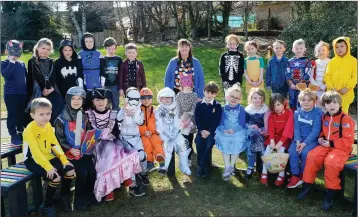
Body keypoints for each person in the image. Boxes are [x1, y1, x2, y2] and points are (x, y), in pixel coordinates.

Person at [298, 91, 355, 210]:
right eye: (328, 103)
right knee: (312, 156)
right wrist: (321, 138)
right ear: (324, 105)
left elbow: (348, 140)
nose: (332, 105)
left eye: (335, 103)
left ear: (340, 104)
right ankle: (307, 185)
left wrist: (331, 143)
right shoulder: (325, 116)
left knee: (331, 162)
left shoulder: (345, 119)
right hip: (326, 146)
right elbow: (323, 132)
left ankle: (331, 193)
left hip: (341, 149)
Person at [86, 88, 144, 202]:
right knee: (109, 152)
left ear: (107, 101)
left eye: (103, 100)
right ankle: (123, 183)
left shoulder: (112, 114)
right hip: (95, 145)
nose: (100, 102)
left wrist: (111, 133)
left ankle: (112, 189)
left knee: (113, 151)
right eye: (97, 100)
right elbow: (86, 132)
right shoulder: (88, 115)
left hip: (111, 141)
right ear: (93, 101)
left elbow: (117, 131)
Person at [23, 98, 75, 217]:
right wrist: (48, 167)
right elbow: (35, 153)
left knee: (70, 170)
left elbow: (54, 144)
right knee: (55, 177)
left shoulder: (48, 126)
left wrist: (64, 160)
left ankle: (64, 196)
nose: (45, 117)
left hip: (47, 157)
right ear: (32, 115)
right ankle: (47, 206)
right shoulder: (29, 131)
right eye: (41, 114)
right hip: (32, 160)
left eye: (48, 113)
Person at [54, 87, 96, 211]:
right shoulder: (61, 119)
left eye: (79, 99)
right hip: (68, 154)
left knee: (92, 171)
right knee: (82, 173)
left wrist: (90, 141)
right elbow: (59, 139)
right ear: (68, 99)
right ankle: (78, 198)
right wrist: (70, 149)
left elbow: (88, 132)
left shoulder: (84, 116)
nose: (76, 101)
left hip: (82, 152)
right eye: (73, 98)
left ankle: (88, 194)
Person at [287, 89, 323, 188]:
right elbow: (297, 128)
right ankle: (295, 175)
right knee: (292, 151)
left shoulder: (317, 113)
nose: (306, 102)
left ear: (314, 102)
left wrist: (304, 144)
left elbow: (316, 131)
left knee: (305, 153)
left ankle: (304, 174)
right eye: (303, 100)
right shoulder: (297, 113)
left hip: (311, 140)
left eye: (309, 100)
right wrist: (298, 141)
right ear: (299, 101)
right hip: (299, 138)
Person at [26, 38, 64, 125]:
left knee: (57, 109)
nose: (45, 51)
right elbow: (34, 77)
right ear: (37, 48)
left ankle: (57, 132)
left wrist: (52, 88)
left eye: (48, 49)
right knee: (39, 110)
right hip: (38, 89)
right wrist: (42, 89)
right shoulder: (32, 61)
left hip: (51, 89)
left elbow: (54, 77)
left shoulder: (52, 62)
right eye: (43, 48)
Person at [155, 87, 191, 176]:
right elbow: (158, 125)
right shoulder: (158, 111)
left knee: (183, 145)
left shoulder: (177, 108)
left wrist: (176, 132)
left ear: (173, 98)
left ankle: (184, 165)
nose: (167, 100)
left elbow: (178, 122)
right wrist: (164, 135)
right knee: (167, 147)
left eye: (169, 97)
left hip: (176, 133)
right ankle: (164, 167)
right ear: (160, 98)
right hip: (164, 135)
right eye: (164, 97)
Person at [117, 87, 149, 186]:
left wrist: (134, 114)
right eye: (131, 98)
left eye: (136, 99)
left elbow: (140, 122)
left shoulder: (140, 111)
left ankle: (143, 174)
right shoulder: (122, 109)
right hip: (125, 139)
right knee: (131, 159)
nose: (134, 101)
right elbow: (118, 119)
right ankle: (133, 184)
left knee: (142, 156)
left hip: (136, 137)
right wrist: (124, 110)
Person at [215, 84, 247, 181]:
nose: (234, 99)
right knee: (224, 139)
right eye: (232, 96)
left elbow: (242, 123)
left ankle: (232, 166)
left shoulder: (241, 109)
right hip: (225, 129)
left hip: (237, 130)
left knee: (237, 140)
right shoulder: (223, 108)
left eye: (237, 98)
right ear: (227, 96)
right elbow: (221, 121)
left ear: (240, 99)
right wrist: (223, 129)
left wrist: (234, 130)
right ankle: (227, 166)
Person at [260, 93, 294, 186]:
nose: (276, 107)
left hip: (284, 138)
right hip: (273, 138)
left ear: (284, 103)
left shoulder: (289, 113)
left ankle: (281, 173)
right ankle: (264, 172)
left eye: (278, 104)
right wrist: (271, 141)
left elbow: (288, 129)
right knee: (267, 152)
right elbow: (271, 129)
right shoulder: (272, 115)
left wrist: (280, 143)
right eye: (274, 105)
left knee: (281, 152)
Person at [1, 40, 27, 145]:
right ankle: (13, 136)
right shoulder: (4, 63)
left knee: (21, 114)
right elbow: (7, 75)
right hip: (11, 94)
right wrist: (12, 61)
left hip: (23, 93)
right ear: (8, 50)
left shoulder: (22, 63)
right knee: (12, 115)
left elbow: (26, 77)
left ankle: (21, 133)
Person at [195, 81, 222, 177]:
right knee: (198, 144)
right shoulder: (199, 105)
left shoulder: (217, 106)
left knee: (208, 145)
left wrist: (209, 131)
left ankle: (201, 167)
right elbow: (197, 119)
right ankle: (204, 166)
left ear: (216, 94)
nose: (210, 95)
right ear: (204, 91)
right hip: (201, 131)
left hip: (212, 132)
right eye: (208, 92)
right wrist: (202, 130)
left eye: (213, 93)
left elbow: (216, 121)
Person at [324, 37, 357, 114]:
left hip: (346, 93)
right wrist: (332, 88)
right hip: (332, 93)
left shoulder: (353, 61)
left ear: (347, 46)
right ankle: (330, 126)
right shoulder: (332, 62)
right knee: (332, 112)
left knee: (343, 113)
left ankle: (343, 126)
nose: (339, 49)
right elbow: (327, 76)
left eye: (342, 46)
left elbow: (355, 77)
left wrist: (347, 87)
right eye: (337, 47)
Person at [244, 88, 270, 180]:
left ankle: (263, 167)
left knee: (257, 136)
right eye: (255, 98)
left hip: (263, 132)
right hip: (251, 131)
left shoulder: (266, 110)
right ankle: (250, 166)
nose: (258, 100)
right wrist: (250, 126)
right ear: (251, 98)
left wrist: (260, 129)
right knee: (252, 138)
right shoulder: (248, 110)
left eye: (260, 97)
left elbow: (268, 124)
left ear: (263, 98)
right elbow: (245, 123)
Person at [139, 88, 165, 172]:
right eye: (143, 98)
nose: (146, 101)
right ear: (140, 99)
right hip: (143, 134)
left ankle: (162, 162)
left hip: (153, 132)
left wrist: (154, 131)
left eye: (149, 98)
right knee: (147, 145)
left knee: (157, 143)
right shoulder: (137, 110)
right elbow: (137, 123)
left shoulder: (154, 109)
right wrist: (144, 131)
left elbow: (157, 121)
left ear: (152, 99)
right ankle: (149, 162)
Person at [176, 74, 197, 166]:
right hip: (182, 121)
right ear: (182, 86)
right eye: (185, 87)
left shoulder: (194, 95)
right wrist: (181, 120)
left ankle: (188, 158)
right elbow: (178, 107)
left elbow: (194, 107)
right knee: (182, 140)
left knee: (189, 138)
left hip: (190, 120)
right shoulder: (179, 95)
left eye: (189, 87)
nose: (187, 88)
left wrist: (189, 120)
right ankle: (183, 157)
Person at [286, 39, 312, 111]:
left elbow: (308, 73)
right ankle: (293, 118)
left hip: (303, 87)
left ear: (304, 49)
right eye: (296, 48)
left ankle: (302, 117)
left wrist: (300, 84)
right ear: (293, 50)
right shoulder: (290, 61)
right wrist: (291, 84)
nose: (299, 50)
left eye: (301, 48)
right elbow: (287, 74)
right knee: (292, 102)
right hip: (292, 87)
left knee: (302, 101)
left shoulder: (307, 61)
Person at [102, 37, 122, 110]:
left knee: (115, 103)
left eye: (113, 49)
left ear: (116, 48)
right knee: (106, 103)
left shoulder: (119, 59)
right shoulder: (103, 59)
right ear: (105, 48)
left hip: (115, 85)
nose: (111, 51)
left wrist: (120, 87)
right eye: (109, 49)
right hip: (105, 85)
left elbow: (121, 74)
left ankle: (116, 118)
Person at [309, 41, 331, 108]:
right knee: (317, 105)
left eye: (323, 50)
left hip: (326, 88)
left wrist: (325, 86)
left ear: (328, 52)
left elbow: (332, 76)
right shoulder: (313, 62)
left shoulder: (331, 62)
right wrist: (316, 85)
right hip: (315, 87)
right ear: (315, 52)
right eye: (318, 50)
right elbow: (311, 75)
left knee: (326, 105)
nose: (321, 52)